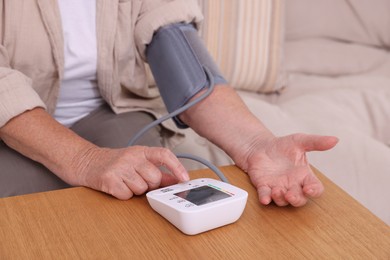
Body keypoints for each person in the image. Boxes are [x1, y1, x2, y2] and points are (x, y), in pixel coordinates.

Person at [0, 0, 337, 207]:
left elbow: (178, 55)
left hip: (109, 108)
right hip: (10, 125)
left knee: (155, 197)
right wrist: (86, 161)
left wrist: (256, 145)